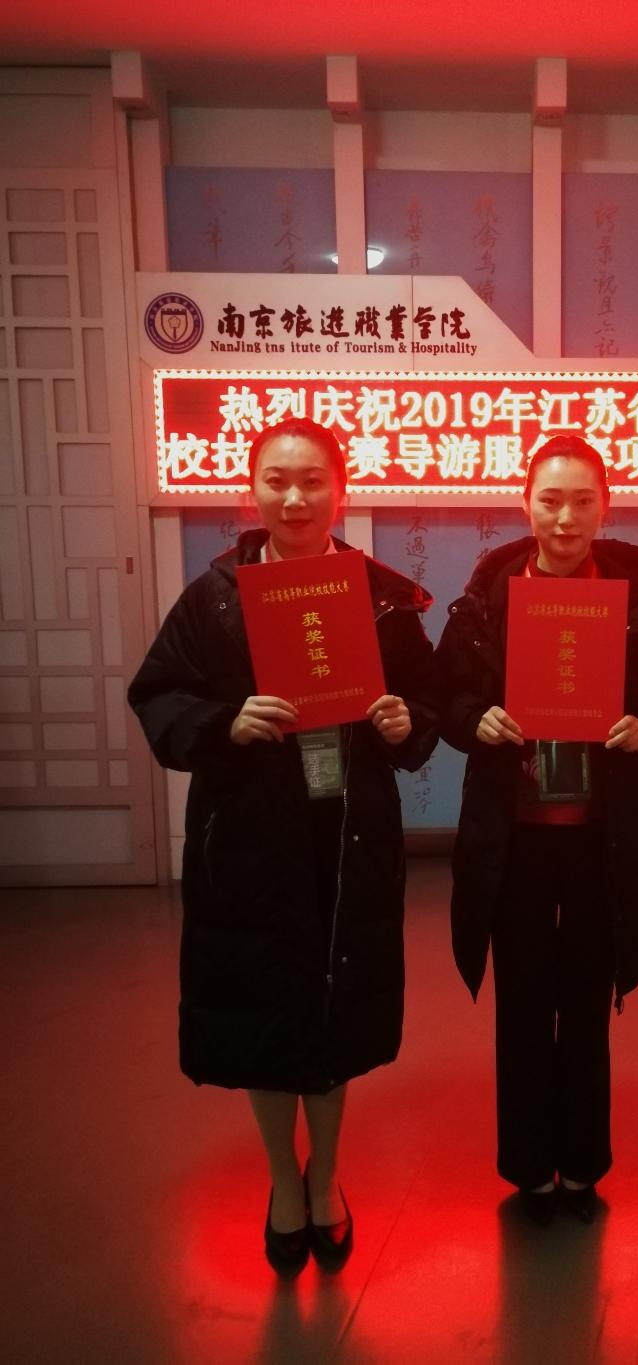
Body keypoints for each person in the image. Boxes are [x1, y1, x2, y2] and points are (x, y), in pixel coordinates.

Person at [128, 417, 440, 1272]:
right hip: (248, 841)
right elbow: (159, 694)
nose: (294, 498)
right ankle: (282, 1182)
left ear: (341, 490)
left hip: (347, 835)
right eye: (276, 479)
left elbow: (427, 699)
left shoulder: (380, 597)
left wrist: (405, 721)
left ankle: (326, 1177)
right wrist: (224, 722)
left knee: (333, 1012)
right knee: (262, 1013)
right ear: (251, 489)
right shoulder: (213, 598)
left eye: (311, 481)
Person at [436, 434, 638, 1224]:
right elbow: (441, 693)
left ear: (605, 506)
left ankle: (583, 1160)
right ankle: (527, 1162)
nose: (564, 517)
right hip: (514, 838)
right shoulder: (484, 603)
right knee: (522, 1000)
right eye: (550, 499)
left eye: (581, 500)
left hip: (601, 837)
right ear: (525, 503)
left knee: (587, 1001)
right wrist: (473, 718)